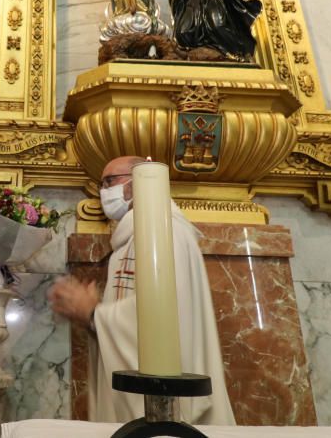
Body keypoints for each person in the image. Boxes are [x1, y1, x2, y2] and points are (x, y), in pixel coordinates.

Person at [47, 156, 235, 426]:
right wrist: (95, 319)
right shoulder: (135, 235)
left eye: (109, 181)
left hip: (169, 405)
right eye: (101, 184)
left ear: (137, 184)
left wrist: (92, 313)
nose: (103, 192)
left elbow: (162, 318)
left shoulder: (166, 233)